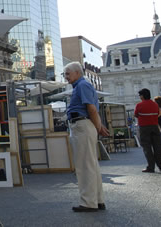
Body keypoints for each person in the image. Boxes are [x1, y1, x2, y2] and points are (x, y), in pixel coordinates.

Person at [64, 62, 109, 213]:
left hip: (81, 125)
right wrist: (98, 126)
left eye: (68, 73)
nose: (66, 77)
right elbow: (92, 109)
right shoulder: (82, 86)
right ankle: (97, 199)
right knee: (91, 164)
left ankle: (88, 202)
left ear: (77, 73)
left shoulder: (82, 85)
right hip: (85, 124)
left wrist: (97, 126)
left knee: (84, 165)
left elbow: (91, 108)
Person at [134, 88, 161, 173]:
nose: (140, 97)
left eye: (140, 95)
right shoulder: (155, 105)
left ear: (142, 96)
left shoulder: (139, 105)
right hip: (155, 126)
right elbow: (158, 113)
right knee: (157, 147)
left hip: (144, 127)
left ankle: (151, 167)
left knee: (147, 147)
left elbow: (136, 115)